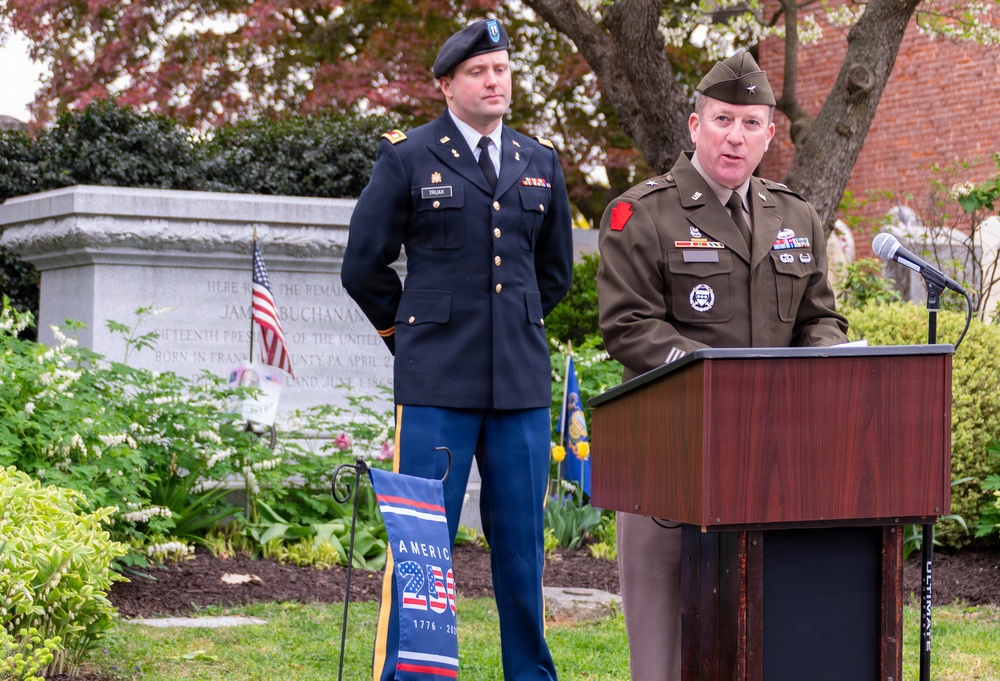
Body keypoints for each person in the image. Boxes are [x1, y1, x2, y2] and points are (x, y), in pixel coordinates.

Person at [596, 50, 849, 680]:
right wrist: (714, 374)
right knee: (664, 648)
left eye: (751, 123)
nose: (735, 136)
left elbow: (819, 317)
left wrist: (830, 359)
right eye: (722, 120)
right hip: (669, 457)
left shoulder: (797, 217)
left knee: (767, 634)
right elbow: (628, 325)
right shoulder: (642, 214)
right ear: (694, 126)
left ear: (769, 134)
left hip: (773, 461)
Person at [341, 18, 574, 681]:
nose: (494, 80)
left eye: (501, 68)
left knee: (524, 549)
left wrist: (510, 331)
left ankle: (530, 673)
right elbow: (363, 266)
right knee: (422, 543)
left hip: (520, 389)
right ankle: (412, 674)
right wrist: (410, 338)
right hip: (436, 386)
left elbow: (552, 274)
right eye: (478, 71)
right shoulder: (408, 157)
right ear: (446, 85)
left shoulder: (539, 160)